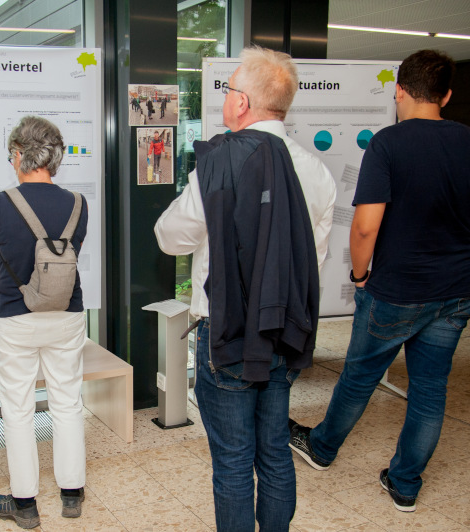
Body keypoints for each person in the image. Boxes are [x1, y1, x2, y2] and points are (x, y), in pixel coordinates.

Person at [154, 46, 336, 531]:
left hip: (229, 332)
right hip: (285, 330)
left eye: (229, 89)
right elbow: (311, 261)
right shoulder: (315, 170)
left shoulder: (219, 163)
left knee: (233, 459)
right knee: (273, 448)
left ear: (244, 102)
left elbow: (172, 236)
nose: (225, 99)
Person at [289, 49, 470, 513]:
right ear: (446, 95)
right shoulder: (468, 140)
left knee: (359, 375)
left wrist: (359, 275)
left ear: (399, 91)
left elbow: (366, 225)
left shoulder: (388, 144)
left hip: (396, 289)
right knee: (430, 389)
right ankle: (405, 484)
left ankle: (322, 449)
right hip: (455, 291)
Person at [0, 116, 89, 529]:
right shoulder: (80, 204)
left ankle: (24, 504)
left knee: (18, 409)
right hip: (67, 314)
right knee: (67, 402)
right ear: (56, 157)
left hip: (17, 317)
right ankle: (71, 494)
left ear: (18, 154)